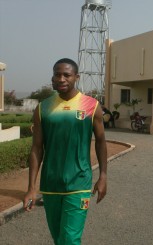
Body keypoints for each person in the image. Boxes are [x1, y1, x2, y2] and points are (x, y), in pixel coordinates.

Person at [23, 58, 108, 245]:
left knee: (70, 239)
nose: (61, 79)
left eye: (66, 75)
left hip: (79, 183)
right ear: (52, 78)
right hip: (51, 184)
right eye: (57, 74)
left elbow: (101, 142)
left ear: (76, 77)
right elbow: (36, 148)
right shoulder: (42, 108)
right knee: (59, 238)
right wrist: (31, 188)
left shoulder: (91, 106)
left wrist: (102, 176)